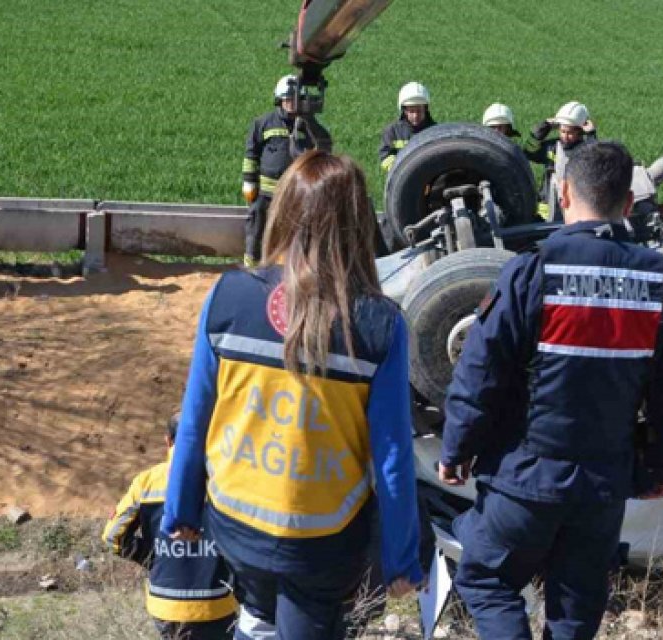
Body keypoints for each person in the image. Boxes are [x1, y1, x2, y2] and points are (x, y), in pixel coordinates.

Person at [440, 141, 663, 640]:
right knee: (575, 614)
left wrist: (457, 447)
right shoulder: (660, 286)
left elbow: (480, 371)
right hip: (602, 487)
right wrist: (658, 467)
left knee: (487, 581)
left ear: (563, 193)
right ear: (628, 204)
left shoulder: (532, 271)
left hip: (526, 478)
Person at [164, 150, 423, 640]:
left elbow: (197, 414)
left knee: (259, 615)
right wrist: (401, 558)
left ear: (281, 211)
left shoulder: (228, 295)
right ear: (356, 222)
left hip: (235, 524)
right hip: (322, 541)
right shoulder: (378, 323)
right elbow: (392, 456)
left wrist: (180, 508)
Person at [103, 412, 238, 640]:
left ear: (168, 440)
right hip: (216, 603)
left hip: (165, 604)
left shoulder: (146, 482)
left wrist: (152, 556)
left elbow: (112, 536)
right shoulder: (227, 482)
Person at [241, 75, 333, 267]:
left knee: (305, 227)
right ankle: (252, 263)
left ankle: (303, 266)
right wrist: (249, 182)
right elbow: (251, 154)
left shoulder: (308, 125)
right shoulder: (263, 123)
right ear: (280, 100)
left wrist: (309, 122)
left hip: (296, 190)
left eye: (295, 99)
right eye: (287, 99)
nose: (291, 104)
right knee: (257, 219)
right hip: (267, 191)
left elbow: (324, 147)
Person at [523, 101, 596, 220]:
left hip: (573, 207)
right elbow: (528, 152)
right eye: (563, 131)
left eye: (570, 133)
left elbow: (596, 161)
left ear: (580, 131)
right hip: (546, 207)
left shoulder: (585, 149)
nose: (565, 136)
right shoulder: (552, 146)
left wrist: (591, 135)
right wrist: (543, 129)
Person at [378, 82, 435, 173]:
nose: (415, 115)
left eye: (419, 111)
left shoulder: (434, 131)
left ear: (426, 109)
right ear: (404, 110)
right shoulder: (393, 131)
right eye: (411, 111)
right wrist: (397, 168)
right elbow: (385, 155)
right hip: (400, 180)